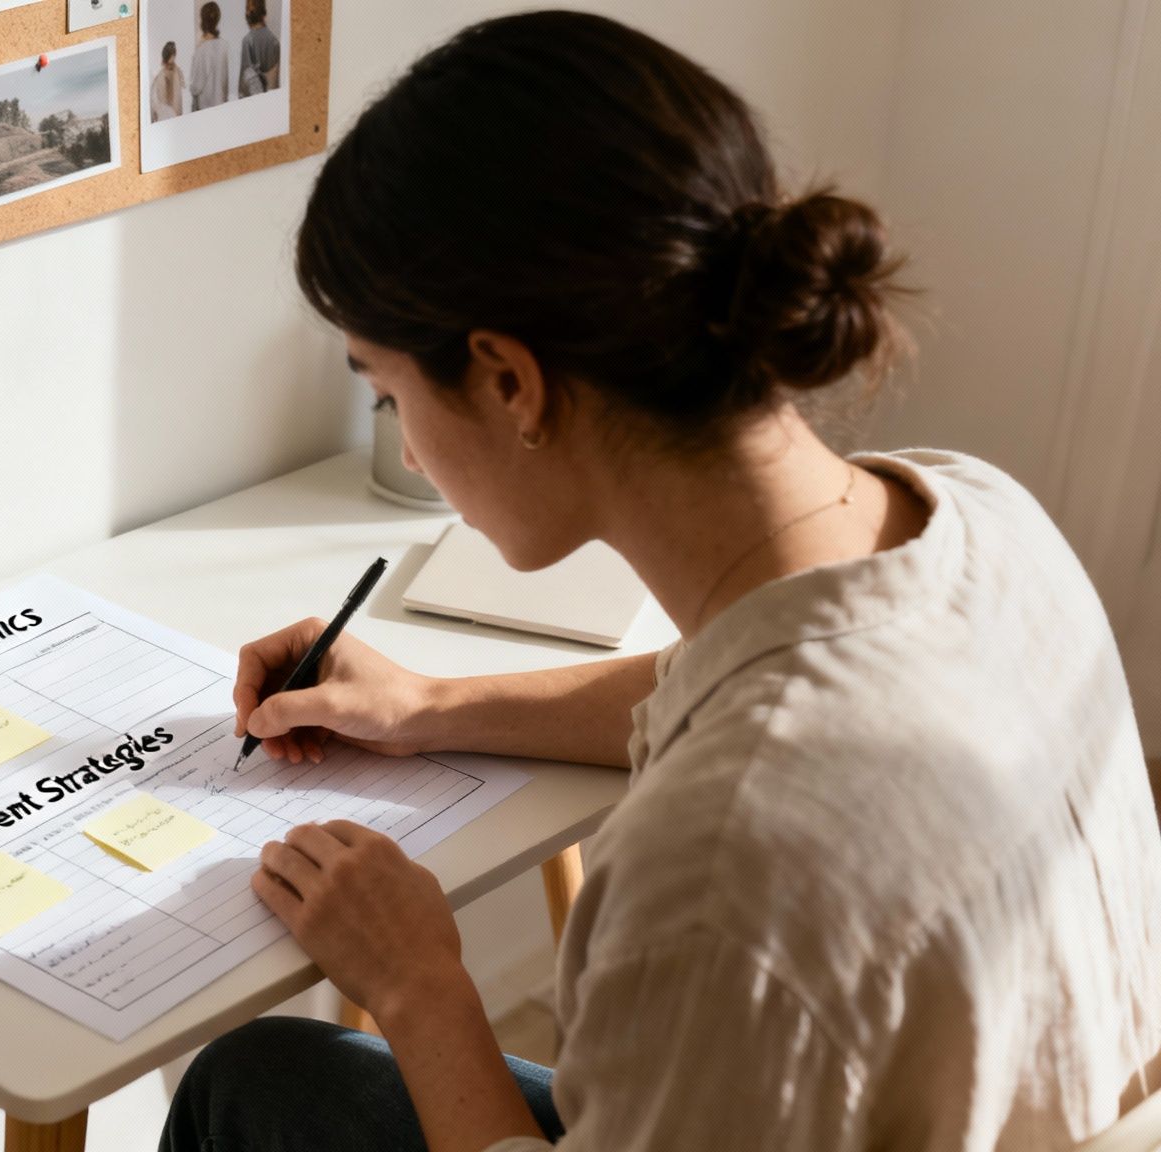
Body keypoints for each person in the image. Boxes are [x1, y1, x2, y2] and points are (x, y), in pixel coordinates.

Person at [161, 11, 1161, 1152]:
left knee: (249, 1092)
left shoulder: (718, 870)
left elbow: (756, 773)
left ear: (508, 382)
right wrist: (427, 705)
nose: (408, 446)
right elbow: (725, 681)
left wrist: (417, 984)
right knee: (262, 1078)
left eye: (389, 395)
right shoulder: (970, 513)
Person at [188, 2, 229, 112]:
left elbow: (195, 87)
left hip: (205, 111)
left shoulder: (201, 50)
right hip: (223, 107)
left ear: (202, 20)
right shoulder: (225, 46)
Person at [239, 0, 278, 97]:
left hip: (253, 101)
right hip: (271, 99)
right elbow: (274, 81)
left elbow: (244, 86)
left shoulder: (247, 41)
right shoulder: (274, 40)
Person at [151, 40, 185, 121]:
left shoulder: (178, 72)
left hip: (174, 115)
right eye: (172, 54)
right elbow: (154, 100)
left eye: (174, 54)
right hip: (164, 115)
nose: (173, 57)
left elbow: (180, 97)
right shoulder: (158, 75)